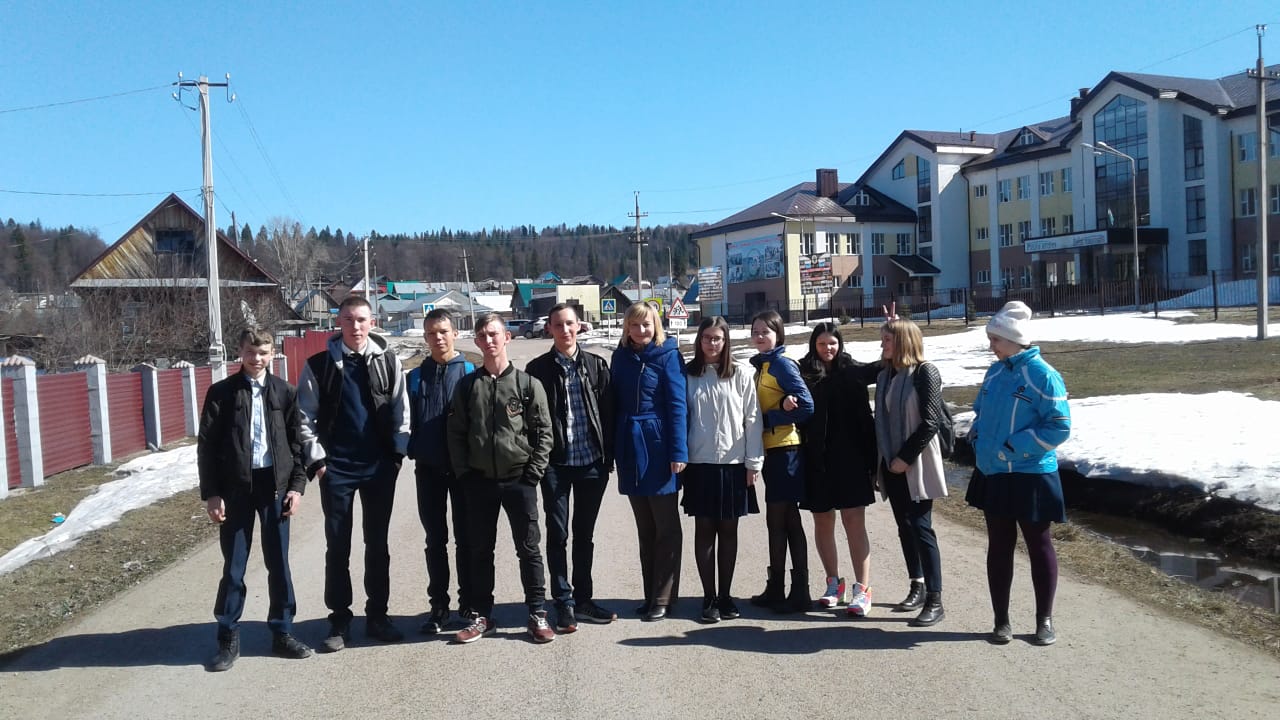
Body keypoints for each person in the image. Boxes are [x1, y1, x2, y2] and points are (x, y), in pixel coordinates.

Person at [298, 295, 411, 652]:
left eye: (361, 319)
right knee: (338, 546)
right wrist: (319, 462)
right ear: (339, 323)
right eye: (348, 319)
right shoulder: (318, 365)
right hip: (337, 470)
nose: (355, 326)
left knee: (377, 544)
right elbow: (304, 417)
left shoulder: (388, 362)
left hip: (378, 469)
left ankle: (378, 616)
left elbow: (401, 409)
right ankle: (339, 620)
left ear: (372, 322)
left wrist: (396, 455)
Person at [199, 328, 312, 671]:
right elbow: (207, 447)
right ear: (240, 351)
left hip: (274, 487)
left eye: (263, 353)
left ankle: (282, 632)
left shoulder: (285, 392)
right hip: (235, 489)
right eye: (251, 352)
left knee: (279, 563)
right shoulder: (222, 393)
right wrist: (212, 494)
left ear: (272, 354)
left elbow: (297, 445)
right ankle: (227, 637)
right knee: (234, 566)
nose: (256, 359)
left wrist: (296, 487)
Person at [965, 301, 1072, 646]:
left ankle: (1044, 621)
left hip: (1031, 474)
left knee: (1038, 546)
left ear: (1013, 339)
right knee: (999, 546)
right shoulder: (995, 373)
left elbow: (1059, 426)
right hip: (994, 472)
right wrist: (977, 432)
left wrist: (1015, 447)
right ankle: (1001, 622)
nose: (991, 346)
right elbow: (981, 410)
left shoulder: (1043, 375)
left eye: (995, 340)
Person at [447, 313, 555, 644]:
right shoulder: (468, 386)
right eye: (482, 336)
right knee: (480, 551)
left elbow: (544, 433)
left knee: (529, 549)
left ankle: (537, 613)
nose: (489, 340)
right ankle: (482, 615)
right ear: (476, 341)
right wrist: (466, 475)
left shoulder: (527, 385)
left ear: (507, 337)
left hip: (519, 480)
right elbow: (456, 434)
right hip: (480, 482)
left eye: (494, 334)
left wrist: (532, 474)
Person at [525, 303, 618, 633]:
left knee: (584, 535)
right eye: (558, 325)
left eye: (569, 324)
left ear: (579, 326)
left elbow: (608, 414)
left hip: (592, 464)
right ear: (549, 328)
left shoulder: (596, 365)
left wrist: (608, 457)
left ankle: (584, 600)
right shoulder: (537, 369)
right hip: (556, 465)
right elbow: (531, 420)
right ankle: (563, 602)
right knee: (558, 534)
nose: (564, 330)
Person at [682, 316, 763, 623]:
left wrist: (753, 462)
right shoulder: (689, 375)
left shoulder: (741, 374)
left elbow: (752, 419)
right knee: (704, 532)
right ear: (699, 340)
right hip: (700, 464)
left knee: (728, 532)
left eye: (717, 338)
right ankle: (709, 598)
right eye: (706, 338)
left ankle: (726, 596)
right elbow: (681, 417)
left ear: (726, 341)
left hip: (733, 465)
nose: (712, 344)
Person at [611, 301, 687, 622]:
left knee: (666, 526)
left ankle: (664, 596)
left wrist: (678, 452)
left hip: (659, 447)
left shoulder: (669, 355)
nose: (640, 330)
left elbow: (678, 405)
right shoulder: (620, 357)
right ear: (626, 328)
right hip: (630, 446)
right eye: (634, 325)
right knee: (645, 527)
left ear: (656, 325)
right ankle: (649, 595)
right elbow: (614, 402)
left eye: (646, 324)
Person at [798, 322, 880, 617]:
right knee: (822, 522)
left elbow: (883, 365)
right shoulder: (804, 372)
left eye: (832, 343)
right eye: (821, 344)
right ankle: (834, 583)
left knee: (853, 522)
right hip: (817, 460)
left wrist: (893, 329)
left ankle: (863, 589)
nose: (827, 349)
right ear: (814, 345)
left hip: (852, 459)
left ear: (840, 344)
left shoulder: (852, 370)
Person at [875, 318, 948, 627]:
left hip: (917, 462)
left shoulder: (924, 372)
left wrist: (904, 458)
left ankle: (935, 599)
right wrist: (888, 462)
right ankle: (916, 585)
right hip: (891, 463)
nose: (882, 345)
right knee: (904, 527)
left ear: (903, 342)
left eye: (887, 340)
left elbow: (930, 422)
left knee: (921, 527)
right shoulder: (886, 375)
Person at [407, 308, 474, 635]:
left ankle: (468, 602)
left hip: (463, 471)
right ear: (425, 337)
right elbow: (405, 420)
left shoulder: (470, 372)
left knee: (466, 539)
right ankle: (439, 606)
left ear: (455, 334)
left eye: (443, 331)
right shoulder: (415, 377)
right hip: (428, 469)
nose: (438, 338)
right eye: (432, 333)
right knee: (435, 540)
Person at [747, 310, 814, 613]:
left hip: (786, 451)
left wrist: (770, 418)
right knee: (780, 521)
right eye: (756, 332)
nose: (760, 336)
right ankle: (777, 587)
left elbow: (807, 405)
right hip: (772, 450)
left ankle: (798, 591)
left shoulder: (783, 364)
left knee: (784, 521)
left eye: (766, 331)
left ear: (778, 334)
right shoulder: (763, 365)